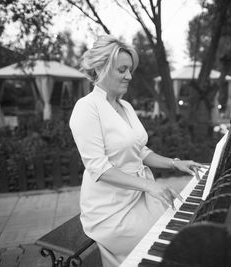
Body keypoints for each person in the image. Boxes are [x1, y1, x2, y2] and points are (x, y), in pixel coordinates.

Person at [69, 35, 204, 267]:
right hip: (110, 210)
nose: (129, 76)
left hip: (140, 196)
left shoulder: (126, 106)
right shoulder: (86, 108)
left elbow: (140, 151)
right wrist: (151, 186)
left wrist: (175, 163)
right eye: (122, 69)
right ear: (101, 68)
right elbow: (99, 169)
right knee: (169, 243)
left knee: (183, 228)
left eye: (130, 70)